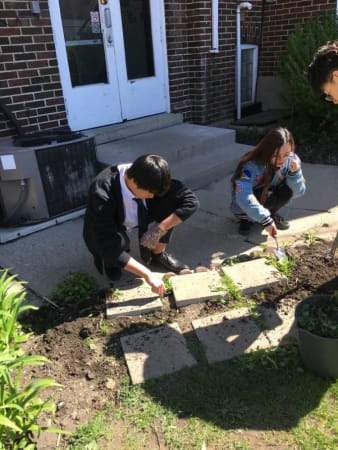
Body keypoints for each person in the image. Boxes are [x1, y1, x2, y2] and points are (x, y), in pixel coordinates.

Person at [83, 154, 199, 296]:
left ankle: (158, 254)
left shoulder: (150, 176)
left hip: (141, 213)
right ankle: (111, 263)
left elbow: (191, 202)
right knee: (116, 246)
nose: (152, 196)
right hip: (111, 222)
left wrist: (159, 229)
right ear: (132, 181)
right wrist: (148, 275)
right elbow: (106, 241)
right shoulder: (102, 193)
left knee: (169, 205)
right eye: (149, 193)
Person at [230, 127, 306, 236]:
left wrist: (295, 174)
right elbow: (243, 194)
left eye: (286, 154)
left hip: (269, 196)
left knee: (287, 190)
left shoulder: (292, 161)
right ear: (266, 151)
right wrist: (264, 219)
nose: (281, 160)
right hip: (249, 201)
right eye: (275, 155)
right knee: (260, 196)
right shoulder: (251, 167)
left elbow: (298, 192)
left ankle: (271, 213)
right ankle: (246, 218)